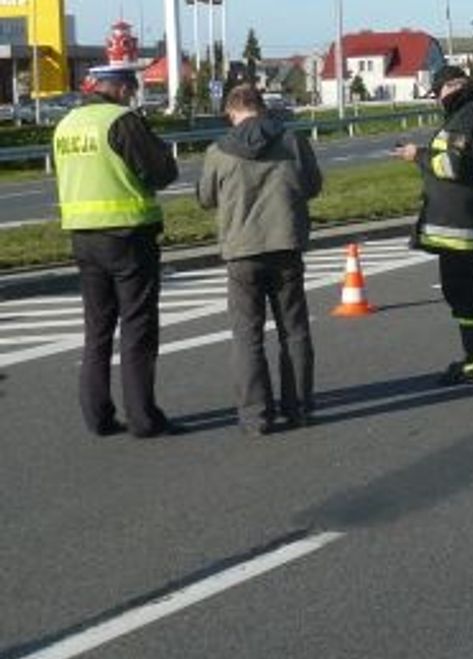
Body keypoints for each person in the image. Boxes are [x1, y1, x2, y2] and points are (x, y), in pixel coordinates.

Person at [53, 64, 180, 437]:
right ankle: (143, 418)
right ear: (122, 89)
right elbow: (161, 172)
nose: (133, 96)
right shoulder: (121, 121)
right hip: (127, 235)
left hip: (82, 236)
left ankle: (98, 416)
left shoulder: (67, 124)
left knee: (97, 329)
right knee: (137, 327)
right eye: (133, 89)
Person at [197, 84, 323, 436]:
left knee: (247, 336)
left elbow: (205, 198)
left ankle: (255, 416)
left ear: (232, 112)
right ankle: (299, 408)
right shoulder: (292, 141)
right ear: (262, 108)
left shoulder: (219, 150)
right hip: (285, 245)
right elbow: (313, 186)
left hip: (242, 252)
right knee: (294, 330)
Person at [393, 65, 473, 385]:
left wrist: (417, 155)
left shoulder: (467, 116)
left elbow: (452, 165)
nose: (437, 100)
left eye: (438, 93)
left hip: (459, 227)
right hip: (472, 220)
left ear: (453, 86)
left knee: (463, 294)